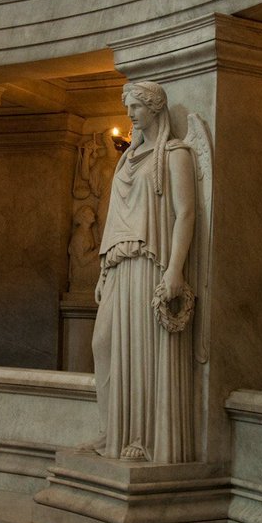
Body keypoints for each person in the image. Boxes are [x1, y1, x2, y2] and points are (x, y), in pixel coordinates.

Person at [92, 80, 197, 463]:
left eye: (136, 106)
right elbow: (113, 216)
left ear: (155, 108)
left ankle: (140, 436)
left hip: (150, 263)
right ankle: (111, 430)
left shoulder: (174, 154)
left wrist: (175, 270)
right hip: (120, 263)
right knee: (102, 344)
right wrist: (104, 270)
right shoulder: (128, 158)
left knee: (140, 351)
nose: (130, 114)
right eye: (129, 107)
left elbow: (186, 213)